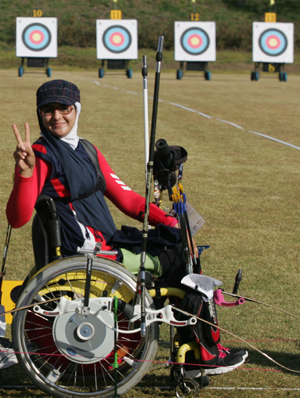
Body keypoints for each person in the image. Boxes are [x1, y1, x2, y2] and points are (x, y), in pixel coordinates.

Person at [5, 80, 248, 374]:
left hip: (105, 243)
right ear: (39, 113)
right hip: (90, 252)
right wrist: (25, 173)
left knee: (177, 246)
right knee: (176, 259)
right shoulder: (41, 154)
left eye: (64, 108)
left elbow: (128, 199)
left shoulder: (87, 150)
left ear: (77, 109)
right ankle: (202, 358)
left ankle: (195, 354)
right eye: (48, 110)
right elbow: (17, 218)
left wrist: (171, 221)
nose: (57, 117)